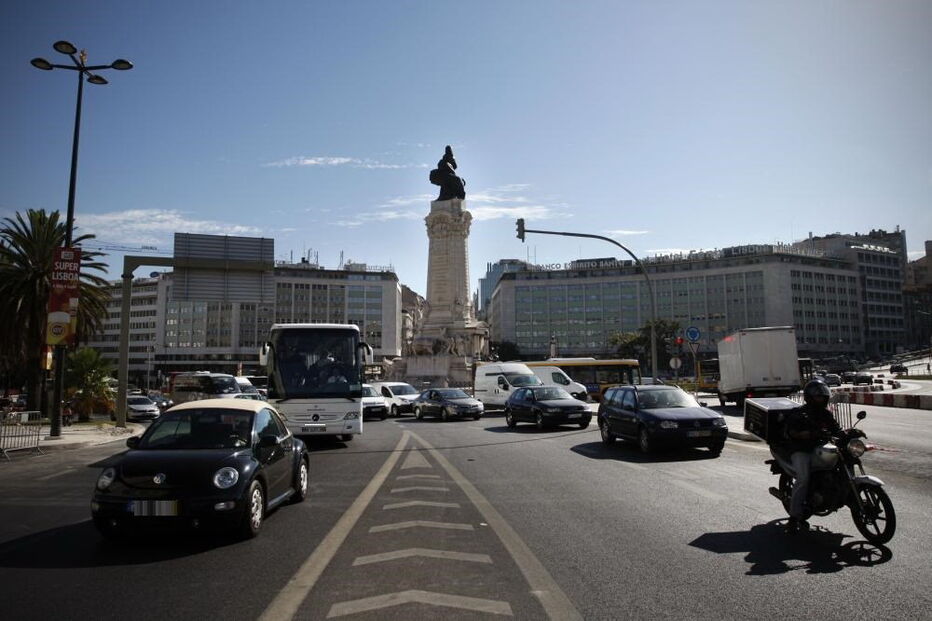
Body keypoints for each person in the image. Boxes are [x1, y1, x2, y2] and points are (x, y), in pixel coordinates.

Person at [779, 379, 842, 532]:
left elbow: (836, 429)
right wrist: (805, 434)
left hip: (820, 448)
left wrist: (848, 433)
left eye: (823, 396)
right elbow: (792, 432)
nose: (821, 399)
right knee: (803, 478)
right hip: (801, 450)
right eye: (818, 397)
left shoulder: (825, 414)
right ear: (809, 397)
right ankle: (793, 518)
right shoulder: (799, 413)